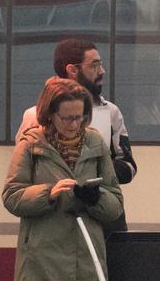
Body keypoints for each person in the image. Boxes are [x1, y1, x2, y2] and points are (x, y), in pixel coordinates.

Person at [2, 77, 124, 281]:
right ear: (49, 115)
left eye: (80, 116)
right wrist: (50, 193)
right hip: (44, 254)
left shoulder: (95, 142)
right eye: (66, 117)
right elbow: (12, 196)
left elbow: (115, 204)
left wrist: (94, 197)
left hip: (83, 254)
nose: (74, 124)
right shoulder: (31, 144)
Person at [17, 38, 136, 230]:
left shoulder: (110, 112)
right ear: (72, 70)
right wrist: (54, 189)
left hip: (102, 219)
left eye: (101, 65)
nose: (102, 71)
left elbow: (129, 167)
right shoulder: (34, 116)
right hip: (53, 220)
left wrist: (93, 179)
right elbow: (21, 178)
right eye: (94, 65)